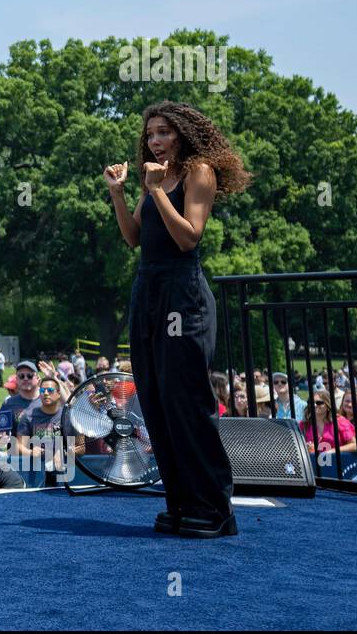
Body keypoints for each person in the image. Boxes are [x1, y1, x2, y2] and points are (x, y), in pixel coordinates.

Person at [104, 100, 250, 538]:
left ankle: (214, 507)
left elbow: (189, 238)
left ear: (183, 134)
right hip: (147, 291)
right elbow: (134, 239)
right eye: (150, 134)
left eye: (164, 132)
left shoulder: (198, 171)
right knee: (157, 400)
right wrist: (120, 192)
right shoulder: (154, 178)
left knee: (186, 400)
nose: (155, 140)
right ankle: (182, 502)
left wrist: (158, 193)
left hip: (182, 296)